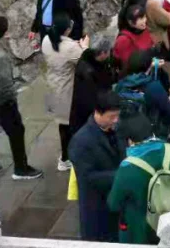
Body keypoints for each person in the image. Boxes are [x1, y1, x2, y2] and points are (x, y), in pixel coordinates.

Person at [0, 17, 43, 181]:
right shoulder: (0, 56)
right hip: (1, 102)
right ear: (4, 33)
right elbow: (5, 84)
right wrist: (12, 99)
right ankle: (21, 168)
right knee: (17, 131)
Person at [107, 113, 170, 245]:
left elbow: (113, 203)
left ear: (130, 140)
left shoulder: (127, 167)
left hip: (139, 228)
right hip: (168, 217)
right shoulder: (169, 151)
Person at [69, 92, 124, 242]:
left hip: (116, 200)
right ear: (98, 113)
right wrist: (121, 175)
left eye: (117, 115)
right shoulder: (81, 141)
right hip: (97, 206)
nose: (116, 120)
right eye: (112, 116)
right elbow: (88, 177)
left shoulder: (115, 128)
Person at [42, 12, 89, 172]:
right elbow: (85, 61)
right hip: (67, 89)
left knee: (62, 125)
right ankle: (67, 158)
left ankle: (65, 156)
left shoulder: (47, 40)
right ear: (67, 30)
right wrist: (84, 47)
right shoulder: (71, 48)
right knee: (72, 125)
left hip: (53, 86)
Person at [114, 50, 170, 139]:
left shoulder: (121, 84)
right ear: (149, 65)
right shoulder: (153, 86)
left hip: (127, 133)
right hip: (151, 134)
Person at [70, 36, 119, 138]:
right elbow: (92, 98)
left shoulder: (91, 60)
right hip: (88, 114)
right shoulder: (88, 72)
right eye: (108, 52)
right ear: (102, 53)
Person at [114, 1, 157, 78]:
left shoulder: (143, 30)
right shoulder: (123, 40)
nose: (144, 20)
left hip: (151, 70)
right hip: (136, 78)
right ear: (131, 22)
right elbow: (127, 66)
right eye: (140, 18)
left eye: (144, 17)